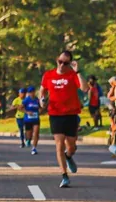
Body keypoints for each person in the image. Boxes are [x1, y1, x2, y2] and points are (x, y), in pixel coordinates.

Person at [39, 51, 89, 188]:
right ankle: (64, 175)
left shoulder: (72, 75)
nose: (61, 65)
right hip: (55, 114)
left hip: (71, 114)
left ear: (70, 64)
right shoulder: (48, 75)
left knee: (71, 146)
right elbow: (42, 90)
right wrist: (42, 100)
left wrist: (77, 71)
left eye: (65, 63)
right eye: (60, 61)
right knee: (59, 144)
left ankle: (69, 156)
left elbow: (85, 89)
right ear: (57, 60)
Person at [22, 87, 41, 154]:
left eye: (33, 92)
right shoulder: (26, 100)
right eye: (30, 92)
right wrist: (27, 112)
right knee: (29, 134)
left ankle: (34, 148)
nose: (32, 93)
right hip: (28, 119)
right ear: (29, 93)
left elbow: (40, 107)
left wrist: (40, 110)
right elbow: (21, 108)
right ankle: (28, 139)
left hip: (36, 119)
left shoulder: (37, 100)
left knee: (36, 133)